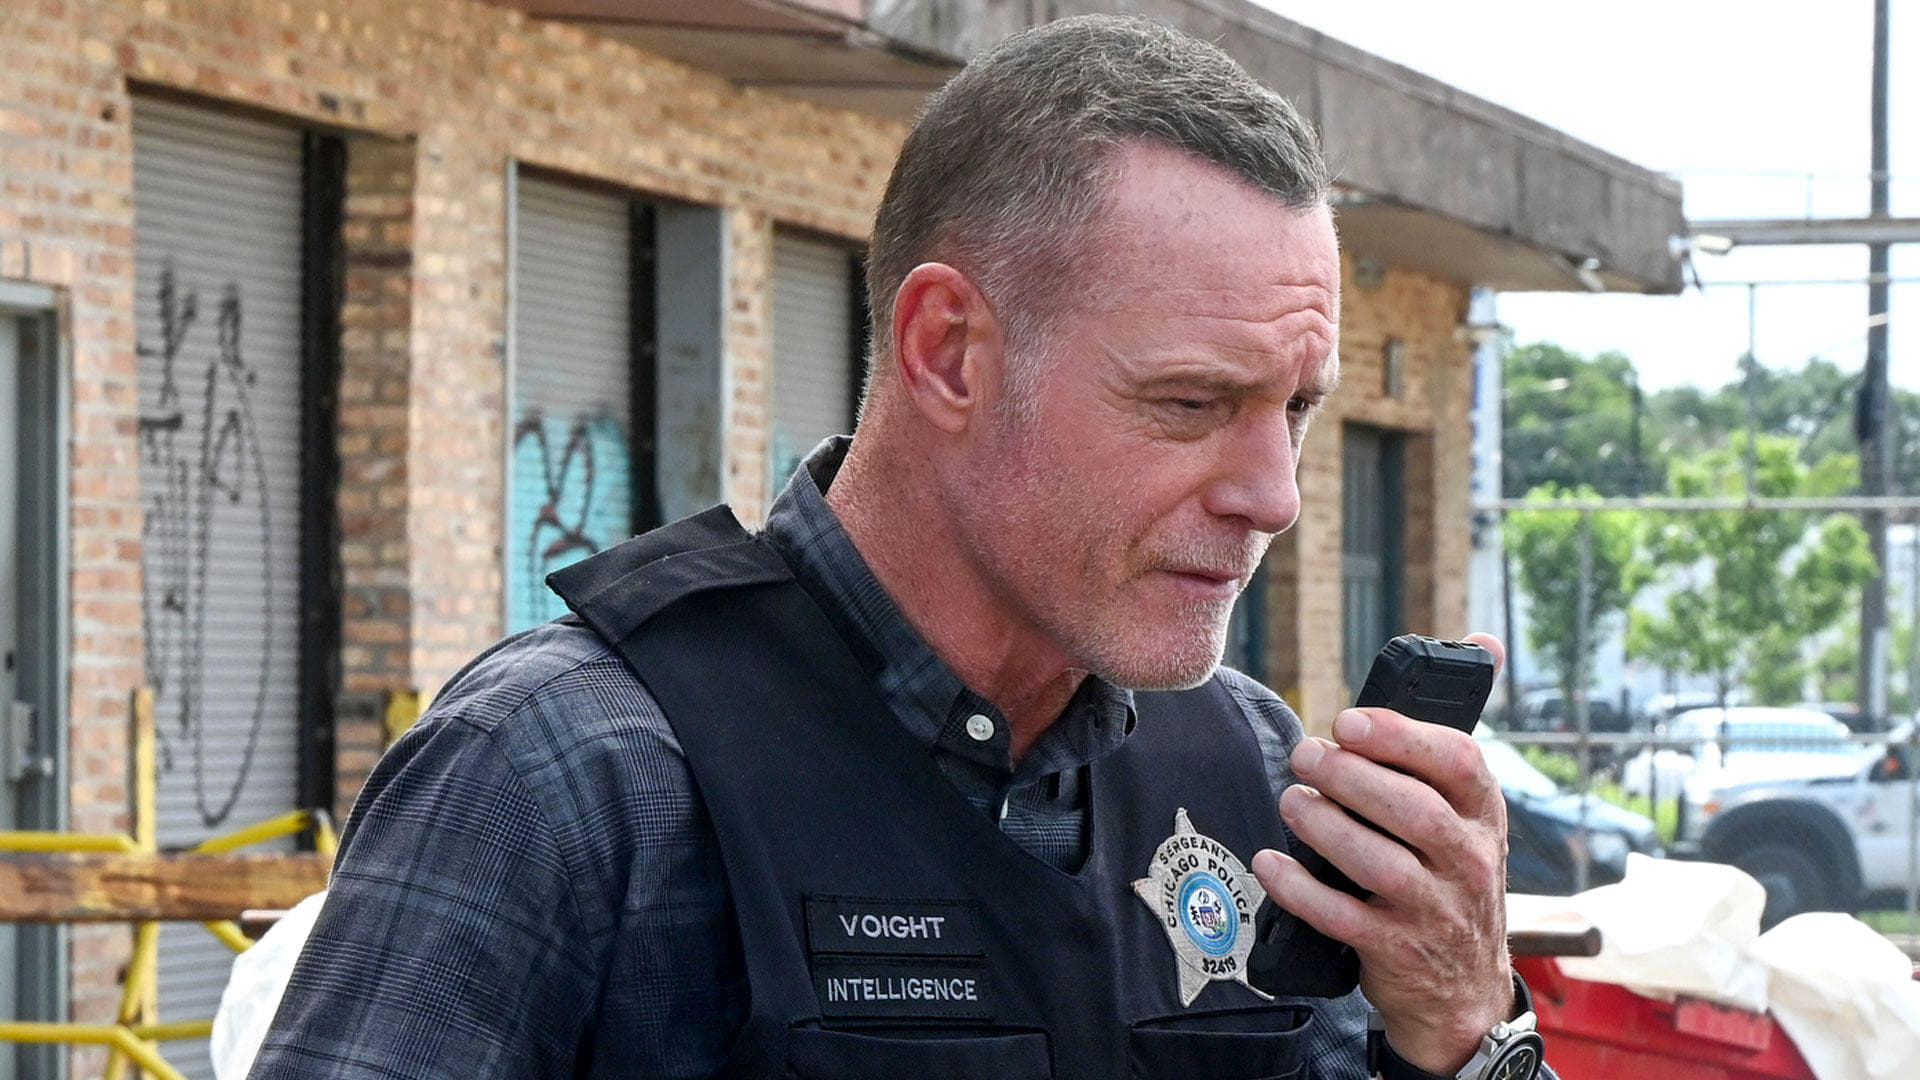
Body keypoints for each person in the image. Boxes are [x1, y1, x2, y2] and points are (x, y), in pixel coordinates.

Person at [250, 14, 1544, 1080]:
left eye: (1296, 409)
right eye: (1193, 402)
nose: (1275, 496)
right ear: (949, 352)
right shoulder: (568, 775)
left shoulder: (1251, 768)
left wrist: (1467, 1032)